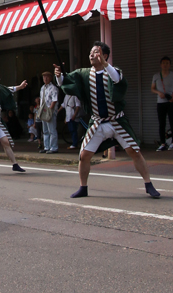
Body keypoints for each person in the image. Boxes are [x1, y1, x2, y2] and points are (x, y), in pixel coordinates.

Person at [54, 41, 160, 199]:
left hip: (117, 121)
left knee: (134, 151)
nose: (91, 54)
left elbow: (118, 80)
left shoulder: (112, 71)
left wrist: (106, 65)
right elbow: (69, 82)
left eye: (95, 51)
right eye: (90, 51)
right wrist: (60, 76)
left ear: (104, 56)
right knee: (84, 155)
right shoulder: (83, 73)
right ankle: (83, 187)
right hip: (97, 122)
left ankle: (148, 184)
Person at [151, 56, 173, 151]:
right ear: (160, 65)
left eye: (167, 63)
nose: (165, 65)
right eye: (163, 63)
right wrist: (159, 93)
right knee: (161, 123)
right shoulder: (156, 76)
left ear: (170, 65)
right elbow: (152, 88)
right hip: (160, 102)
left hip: (171, 102)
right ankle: (163, 143)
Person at [39, 71, 59, 154]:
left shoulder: (53, 88)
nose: (45, 78)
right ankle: (46, 147)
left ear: (51, 78)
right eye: (44, 77)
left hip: (50, 111)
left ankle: (53, 147)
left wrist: (50, 109)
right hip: (43, 110)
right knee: (45, 130)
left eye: (47, 77)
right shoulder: (42, 88)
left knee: (52, 130)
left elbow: (54, 100)